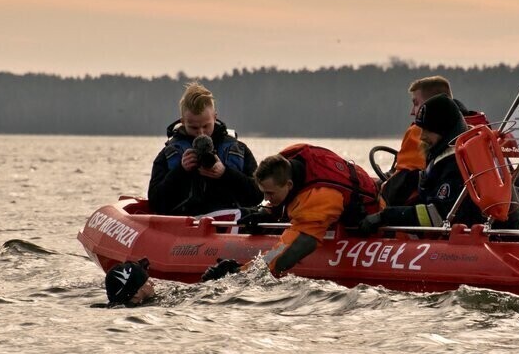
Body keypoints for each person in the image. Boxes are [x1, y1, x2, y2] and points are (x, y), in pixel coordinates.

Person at [202, 144, 382, 279]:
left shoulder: (317, 198)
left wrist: (240, 273)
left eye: (269, 194)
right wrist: (269, 212)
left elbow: (286, 251)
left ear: (288, 185)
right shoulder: (293, 160)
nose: (265, 198)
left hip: (367, 224)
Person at [361, 94, 519, 233]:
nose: (422, 136)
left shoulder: (455, 164)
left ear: (444, 131)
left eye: (427, 131)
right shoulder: (463, 154)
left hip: (471, 243)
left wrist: (385, 216)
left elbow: (436, 216)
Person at [148, 81, 262, 216]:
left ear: (215, 118)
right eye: (194, 127)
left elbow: (258, 194)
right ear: (183, 122)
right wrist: (180, 171)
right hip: (186, 225)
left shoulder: (239, 150)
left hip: (232, 222)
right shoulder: (168, 154)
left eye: (206, 126)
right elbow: (155, 202)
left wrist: (226, 174)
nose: (201, 133)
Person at [380, 76, 490, 206]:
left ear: (433, 104)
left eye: (416, 103)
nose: (412, 112)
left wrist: (385, 212)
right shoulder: (479, 132)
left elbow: (401, 183)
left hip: (424, 207)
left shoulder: (425, 135)